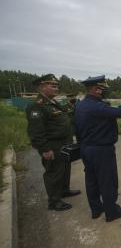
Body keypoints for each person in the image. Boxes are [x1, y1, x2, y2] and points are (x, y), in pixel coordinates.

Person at [74, 75, 121, 222]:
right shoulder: (98, 106)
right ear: (96, 89)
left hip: (86, 148)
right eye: (103, 89)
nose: (104, 92)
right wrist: (115, 107)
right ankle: (111, 212)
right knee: (107, 181)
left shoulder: (80, 105)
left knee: (91, 180)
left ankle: (96, 209)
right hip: (101, 150)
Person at [26, 74, 80, 211]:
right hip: (52, 145)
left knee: (65, 168)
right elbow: (36, 131)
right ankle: (54, 202)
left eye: (57, 86)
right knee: (54, 172)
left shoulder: (53, 102)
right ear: (41, 87)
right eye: (52, 85)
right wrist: (44, 149)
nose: (56, 88)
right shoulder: (36, 106)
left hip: (64, 142)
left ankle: (64, 191)